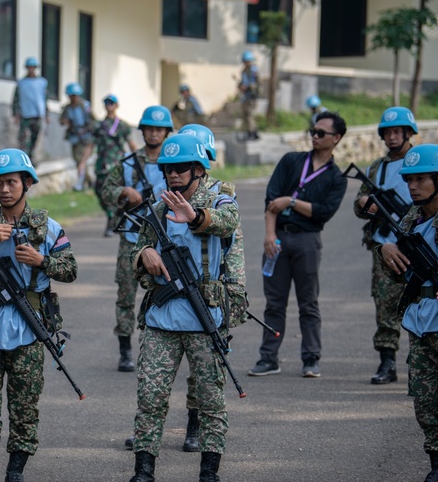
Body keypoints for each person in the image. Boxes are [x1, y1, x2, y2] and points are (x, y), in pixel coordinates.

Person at [114, 133, 239, 482]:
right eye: (167, 169)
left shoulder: (219, 198)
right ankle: (143, 476)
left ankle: (210, 476)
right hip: (161, 320)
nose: (172, 175)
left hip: (204, 319)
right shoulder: (156, 206)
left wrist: (195, 216)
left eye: (180, 168)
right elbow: (136, 251)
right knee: (150, 399)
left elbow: (227, 222)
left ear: (199, 169)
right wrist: (146, 254)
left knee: (211, 400)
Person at [0, 148, 78, 482]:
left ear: (27, 183)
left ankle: (16, 474)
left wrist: (42, 260)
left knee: (24, 406)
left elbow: (71, 270)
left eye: (12, 182)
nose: (4, 189)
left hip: (29, 331)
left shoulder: (49, 227)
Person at [377, 144, 438, 482]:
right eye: (409, 178)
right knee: (427, 405)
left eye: (420, 178)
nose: (412, 185)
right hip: (422, 323)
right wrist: (386, 251)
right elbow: (399, 266)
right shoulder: (411, 219)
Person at [249, 111, 348, 378]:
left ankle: (311, 358)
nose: (314, 137)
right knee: (274, 302)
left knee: (308, 302)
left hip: (307, 241)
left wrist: (291, 202)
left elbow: (324, 212)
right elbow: (271, 199)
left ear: (336, 138)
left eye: (321, 133)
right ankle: (268, 358)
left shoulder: (337, 178)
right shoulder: (292, 161)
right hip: (279, 236)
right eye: (312, 131)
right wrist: (270, 235)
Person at [175, 124, 246, 454]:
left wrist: (231, 292)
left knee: (206, 365)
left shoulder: (221, 193)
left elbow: (231, 248)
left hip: (216, 287)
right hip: (183, 286)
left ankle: (196, 423)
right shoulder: (176, 192)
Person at [101, 104, 174, 373]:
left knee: (166, 293)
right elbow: (106, 190)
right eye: (149, 129)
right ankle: (125, 351)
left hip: (165, 239)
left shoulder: (174, 162)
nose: (154, 134)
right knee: (125, 293)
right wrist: (123, 191)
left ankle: (160, 348)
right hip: (132, 238)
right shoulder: (129, 162)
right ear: (142, 131)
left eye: (159, 129)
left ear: (166, 132)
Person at [352, 107, 416, 385]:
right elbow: (360, 202)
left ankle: (424, 364)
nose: (391, 138)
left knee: (423, 305)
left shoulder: (420, 160)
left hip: (419, 246)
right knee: (385, 306)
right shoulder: (377, 168)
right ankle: (387, 362)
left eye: (396, 132)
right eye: (387, 133)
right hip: (383, 246)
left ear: (408, 133)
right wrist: (365, 205)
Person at [92, 94, 137, 237]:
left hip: (117, 165)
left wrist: (138, 159)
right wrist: (81, 164)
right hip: (102, 164)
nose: (109, 105)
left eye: (111, 103)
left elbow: (130, 143)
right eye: (106, 103)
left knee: (116, 190)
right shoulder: (98, 125)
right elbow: (90, 144)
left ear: (116, 105)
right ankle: (113, 214)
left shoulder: (122, 125)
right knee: (99, 191)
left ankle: (112, 219)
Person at [12, 57, 49, 165]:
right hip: (25, 114)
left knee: (34, 137)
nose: (31, 69)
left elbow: (45, 99)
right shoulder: (21, 83)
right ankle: (24, 159)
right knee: (23, 139)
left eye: (33, 67)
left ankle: (31, 158)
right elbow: (16, 99)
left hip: (37, 115)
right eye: (29, 67)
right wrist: (16, 114)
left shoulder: (42, 82)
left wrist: (46, 114)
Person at [60, 82, 94, 192]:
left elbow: (93, 120)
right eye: (71, 95)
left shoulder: (85, 106)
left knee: (81, 160)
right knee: (77, 160)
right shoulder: (67, 108)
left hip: (85, 136)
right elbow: (62, 120)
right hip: (74, 137)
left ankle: (81, 184)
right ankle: (89, 180)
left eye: (75, 95)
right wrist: (65, 122)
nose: (73, 98)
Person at [238, 51, 260, 141]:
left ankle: (253, 133)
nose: (246, 63)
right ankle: (250, 132)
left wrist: (247, 87)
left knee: (250, 115)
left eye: (247, 61)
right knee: (245, 115)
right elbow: (242, 81)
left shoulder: (254, 70)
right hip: (245, 96)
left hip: (252, 96)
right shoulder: (244, 71)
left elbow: (257, 84)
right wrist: (240, 86)